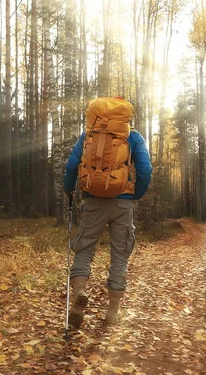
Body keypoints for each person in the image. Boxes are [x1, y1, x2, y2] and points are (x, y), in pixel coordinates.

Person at [63, 97, 152, 327]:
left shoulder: (89, 135)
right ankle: (112, 312)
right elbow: (145, 168)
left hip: (93, 201)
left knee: (84, 250)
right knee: (120, 255)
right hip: (123, 203)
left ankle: (79, 296)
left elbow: (72, 165)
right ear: (125, 117)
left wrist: (69, 189)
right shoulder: (132, 136)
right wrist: (136, 194)